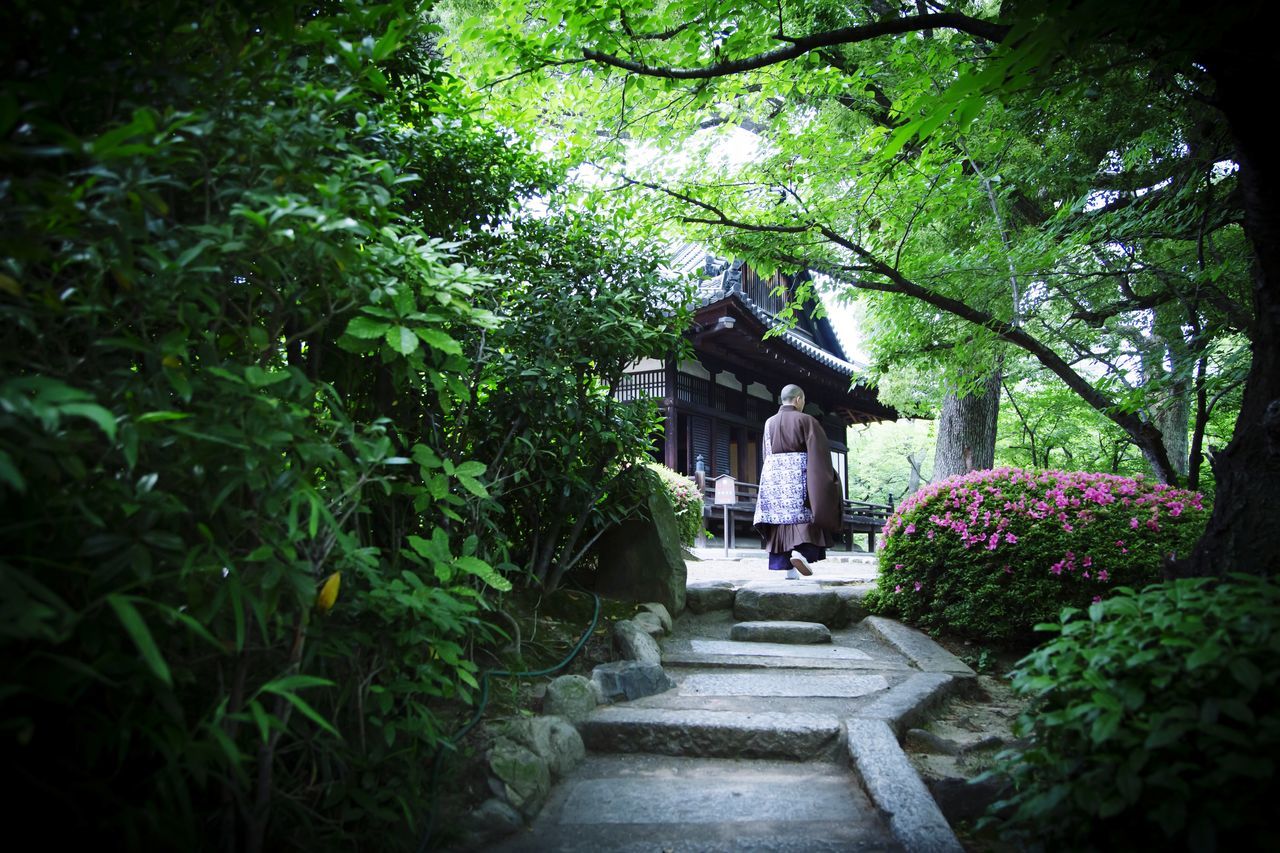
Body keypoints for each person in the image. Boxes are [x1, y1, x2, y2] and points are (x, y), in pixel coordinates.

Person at [752, 384, 843, 577]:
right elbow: (819, 455)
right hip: (799, 477)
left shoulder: (769, 423)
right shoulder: (807, 420)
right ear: (799, 399)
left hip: (775, 479)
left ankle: (787, 568)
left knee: (780, 521)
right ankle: (801, 552)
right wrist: (827, 480)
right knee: (805, 516)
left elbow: (765, 454)